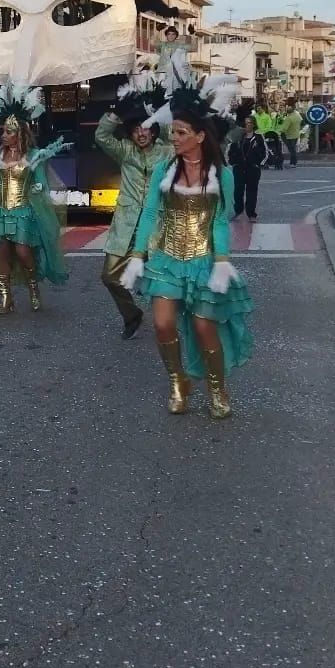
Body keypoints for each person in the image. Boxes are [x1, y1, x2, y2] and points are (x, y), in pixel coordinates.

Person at [122, 75, 253, 419]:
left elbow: (220, 220)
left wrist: (222, 260)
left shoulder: (220, 175)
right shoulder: (165, 169)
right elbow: (150, 211)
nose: (173, 137)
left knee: (203, 326)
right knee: (163, 324)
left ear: (199, 137)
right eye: (173, 131)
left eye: (180, 132)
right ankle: (178, 381)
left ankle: (216, 386)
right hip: (166, 259)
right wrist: (137, 255)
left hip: (203, 260)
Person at [0, 76, 68, 314]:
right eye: (3, 131)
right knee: (2, 252)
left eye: (8, 131)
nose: (3, 135)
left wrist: (38, 189)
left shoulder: (33, 155)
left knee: (24, 251)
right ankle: (5, 298)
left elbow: (40, 183)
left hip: (23, 212)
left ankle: (34, 287)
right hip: (0, 212)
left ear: (20, 134)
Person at [94, 78, 174, 338]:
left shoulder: (166, 151)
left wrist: (161, 112)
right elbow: (101, 135)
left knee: (167, 282)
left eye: (146, 129)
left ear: (153, 131)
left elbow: (179, 136)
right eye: (136, 129)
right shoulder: (125, 151)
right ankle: (132, 315)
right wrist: (116, 112)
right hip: (126, 228)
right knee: (109, 277)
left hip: (158, 228)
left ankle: (175, 324)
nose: (141, 133)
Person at [229, 116, 268, 219]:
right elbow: (230, 151)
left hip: (253, 169)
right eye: (245, 123)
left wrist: (257, 164)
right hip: (239, 168)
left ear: (253, 124)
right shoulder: (238, 138)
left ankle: (251, 214)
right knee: (238, 191)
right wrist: (233, 162)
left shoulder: (258, 137)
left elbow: (265, 153)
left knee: (252, 191)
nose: (247, 125)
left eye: (249, 123)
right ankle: (238, 211)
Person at [155, 24, 196, 91]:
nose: (171, 36)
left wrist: (192, 34)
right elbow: (153, 43)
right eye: (169, 34)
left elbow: (193, 47)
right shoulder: (162, 45)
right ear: (166, 35)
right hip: (163, 74)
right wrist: (157, 31)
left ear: (176, 36)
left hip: (176, 76)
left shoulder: (180, 46)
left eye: (173, 34)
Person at [279, 101, 302, 168]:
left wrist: (279, 132)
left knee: (292, 150)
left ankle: (293, 163)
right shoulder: (297, 115)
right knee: (293, 149)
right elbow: (301, 121)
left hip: (289, 136)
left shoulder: (289, 118)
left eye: (288, 108)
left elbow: (284, 129)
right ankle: (294, 162)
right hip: (296, 134)